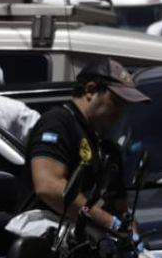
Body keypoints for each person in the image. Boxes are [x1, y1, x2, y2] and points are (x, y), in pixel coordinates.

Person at [27, 58, 148, 230]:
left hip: (84, 245)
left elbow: (119, 206)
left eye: (125, 106)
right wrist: (108, 222)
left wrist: (130, 231)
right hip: (48, 241)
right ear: (90, 90)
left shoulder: (105, 146)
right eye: (116, 102)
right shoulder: (59, 123)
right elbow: (48, 186)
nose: (120, 113)